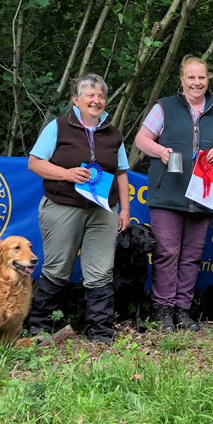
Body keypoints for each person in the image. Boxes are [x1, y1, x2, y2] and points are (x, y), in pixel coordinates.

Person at [27, 74, 130, 345]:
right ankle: (39, 327)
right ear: (76, 100)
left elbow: (121, 173)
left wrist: (125, 210)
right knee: (57, 267)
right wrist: (67, 174)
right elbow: (35, 163)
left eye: (101, 96)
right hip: (63, 206)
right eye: (90, 95)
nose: (97, 100)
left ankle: (101, 332)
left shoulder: (114, 134)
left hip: (104, 210)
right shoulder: (58, 127)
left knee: (101, 270)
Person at [135, 55, 213, 333]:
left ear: (208, 79)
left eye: (201, 77)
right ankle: (163, 309)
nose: (197, 82)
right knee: (167, 253)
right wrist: (160, 151)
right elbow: (141, 139)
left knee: (191, 255)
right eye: (191, 77)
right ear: (182, 80)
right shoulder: (164, 107)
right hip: (167, 194)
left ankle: (183, 309)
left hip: (202, 196)